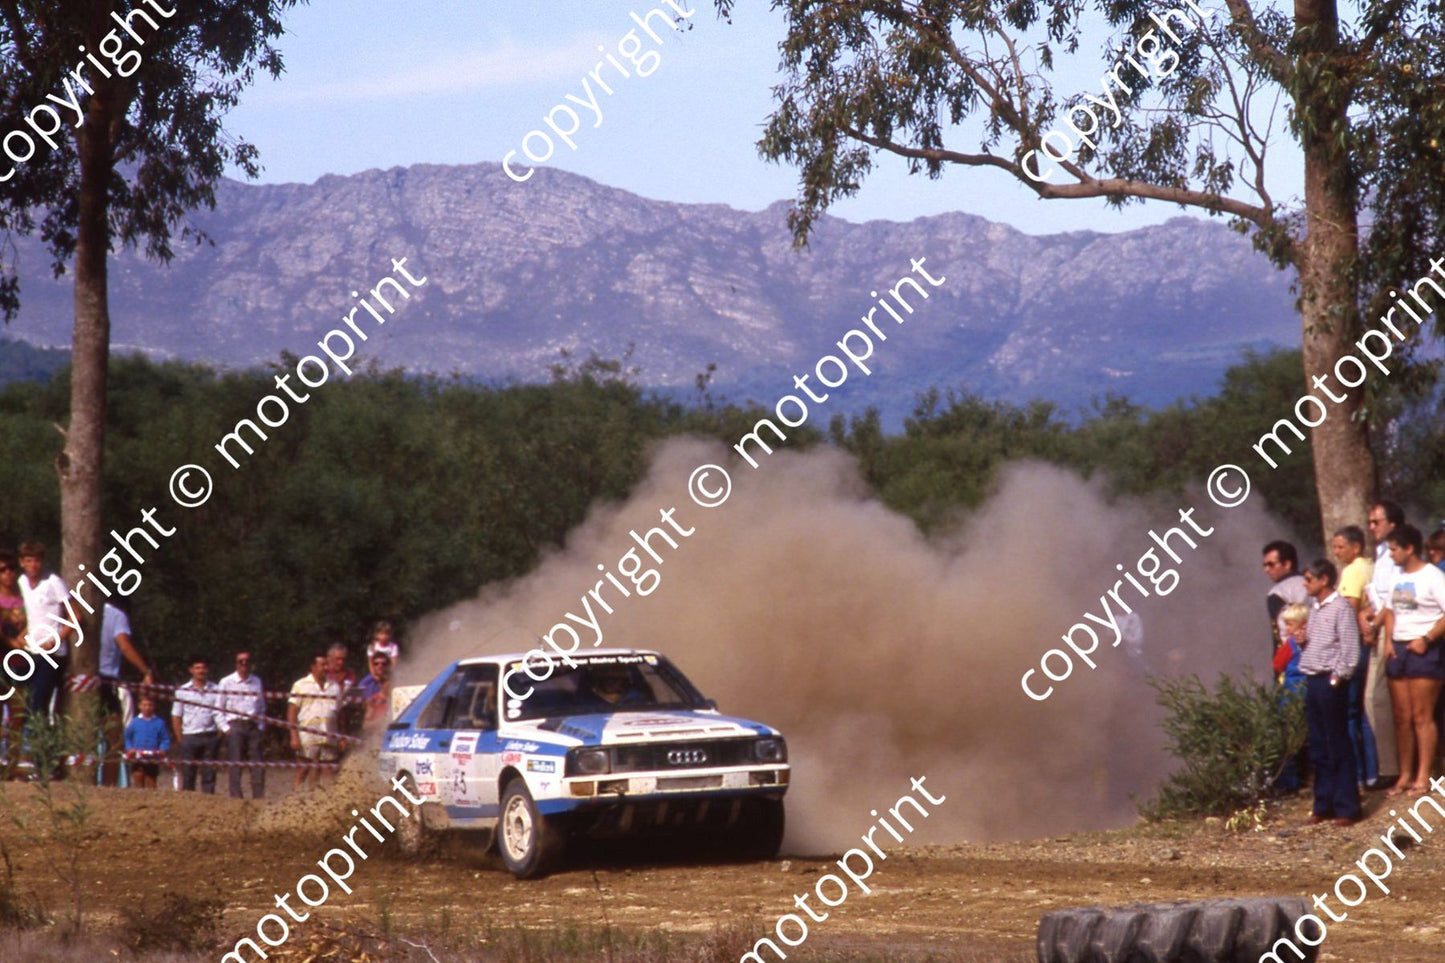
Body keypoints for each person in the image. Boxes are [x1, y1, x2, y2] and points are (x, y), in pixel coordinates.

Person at [1380, 524, 1445, 796]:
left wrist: (1427, 638)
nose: (1391, 554)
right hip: (1398, 649)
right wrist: (1387, 640)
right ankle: (1405, 774)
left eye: (1394, 549)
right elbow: (1390, 610)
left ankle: (1423, 775)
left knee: (1421, 715)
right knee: (1401, 717)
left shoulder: (1433, 576)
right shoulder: (1397, 577)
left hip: (1424, 650)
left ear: (1409, 549)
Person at [1298, 559, 1361, 825]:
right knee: (1319, 744)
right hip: (1313, 679)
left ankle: (1347, 806)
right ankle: (1324, 803)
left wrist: (1338, 678)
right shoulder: (1315, 608)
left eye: (1310, 579)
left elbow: (1349, 647)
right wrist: (1304, 643)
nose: (1306, 583)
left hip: (1330, 681)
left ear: (1324, 580)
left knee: (1337, 742)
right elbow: (1319, 643)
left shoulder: (1341, 608)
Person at [1332, 525, 1379, 789]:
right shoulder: (1372, 566)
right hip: (1367, 643)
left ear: (1356, 547)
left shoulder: (1352, 571)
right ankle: (1372, 770)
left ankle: (1359, 773)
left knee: (1350, 711)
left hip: (1354, 646)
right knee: (1362, 710)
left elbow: (1347, 611)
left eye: (1340, 546)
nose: (1336, 552)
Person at [1362, 501, 1406, 788]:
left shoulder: (1396, 556)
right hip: (1379, 628)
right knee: (1374, 699)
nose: (1371, 527)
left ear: (1392, 523)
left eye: (1376, 521)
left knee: (1384, 700)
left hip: (1393, 631)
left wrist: (1376, 623)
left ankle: (1395, 768)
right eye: (1370, 521)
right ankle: (1388, 765)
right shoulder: (1380, 555)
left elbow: (1394, 599)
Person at [17, 541, 75, 725]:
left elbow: (76, 618)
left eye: (37, 561)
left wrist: (56, 639)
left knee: (39, 701)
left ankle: (39, 748)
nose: (33, 565)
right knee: (24, 701)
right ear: (22, 563)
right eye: (29, 561)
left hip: (53, 653)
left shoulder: (53, 582)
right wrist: (23, 633)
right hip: (32, 650)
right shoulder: (22, 582)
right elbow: (35, 614)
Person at [98, 602, 153, 787]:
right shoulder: (116, 615)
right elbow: (124, 646)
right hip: (105, 680)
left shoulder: (80, 609)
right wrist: (145, 671)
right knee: (114, 738)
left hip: (76, 680)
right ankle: (109, 785)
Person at [217, 651, 266, 800]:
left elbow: (262, 706)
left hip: (253, 725)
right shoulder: (226, 682)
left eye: (247, 661)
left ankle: (258, 798)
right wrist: (226, 729)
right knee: (236, 764)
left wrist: (261, 726)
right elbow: (218, 708)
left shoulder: (257, 681)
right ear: (236, 663)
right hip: (235, 725)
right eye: (241, 661)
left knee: (257, 764)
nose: (244, 664)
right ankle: (236, 798)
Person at [288, 654, 341, 790]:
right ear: (313, 667)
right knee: (303, 770)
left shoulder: (335, 686)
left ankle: (321, 802)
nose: (326, 668)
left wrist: (342, 736)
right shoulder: (300, 685)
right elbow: (292, 712)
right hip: (307, 735)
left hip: (329, 734)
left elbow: (341, 714)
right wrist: (294, 736)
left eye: (327, 664)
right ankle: (294, 801)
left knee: (328, 772)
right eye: (322, 665)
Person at [171, 656, 222, 793]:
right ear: (191, 670)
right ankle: (189, 804)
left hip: (210, 735)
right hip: (189, 736)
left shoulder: (216, 689)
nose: (201, 671)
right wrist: (180, 739)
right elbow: (176, 716)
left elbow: (220, 712)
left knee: (209, 774)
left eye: (203, 667)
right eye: (197, 668)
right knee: (188, 773)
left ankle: (208, 802)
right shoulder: (182, 691)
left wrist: (219, 735)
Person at [1272, 602, 1309, 792]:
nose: (1287, 628)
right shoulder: (1312, 641)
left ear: (1301, 624)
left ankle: (1289, 781)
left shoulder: (1290, 644)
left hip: (1291, 692)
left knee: (1288, 736)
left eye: (1290, 624)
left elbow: (1277, 664)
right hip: (1309, 689)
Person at [0, 551, 28, 770]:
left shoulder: (24, 596)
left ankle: (13, 762)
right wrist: (10, 641)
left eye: (11, 569)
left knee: (19, 712)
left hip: (21, 662)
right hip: (1, 659)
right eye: (3, 570)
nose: (8, 573)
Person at [1263, 541, 1308, 658]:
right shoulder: (1313, 584)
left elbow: (1281, 634)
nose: (1266, 569)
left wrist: (1279, 663)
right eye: (1265, 565)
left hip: (1294, 659)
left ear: (1287, 564)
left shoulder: (1277, 593)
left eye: (1271, 564)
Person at [123, 694, 170, 790]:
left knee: (151, 781)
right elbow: (127, 737)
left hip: (153, 758)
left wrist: (163, 749)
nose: (147, 708)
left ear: (153, 706)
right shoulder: (134, 722)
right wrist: (130, 748)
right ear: (139, 706)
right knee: (138, 778)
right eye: (144, 705)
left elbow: (165, 739)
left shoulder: (159, 722)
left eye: (150, 705)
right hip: (138, 757)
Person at [584, 663, 649, 708]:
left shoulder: (638, 698)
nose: (617, 683)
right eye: (609, 679)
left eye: (621, 679)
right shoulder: (583, 703)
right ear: (597, 681)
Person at [354, 652, 392, 727]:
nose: (380, 666)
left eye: (383, 664)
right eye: (376, 663)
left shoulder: (396, 684)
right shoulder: (365, 683)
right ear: (372, 666)